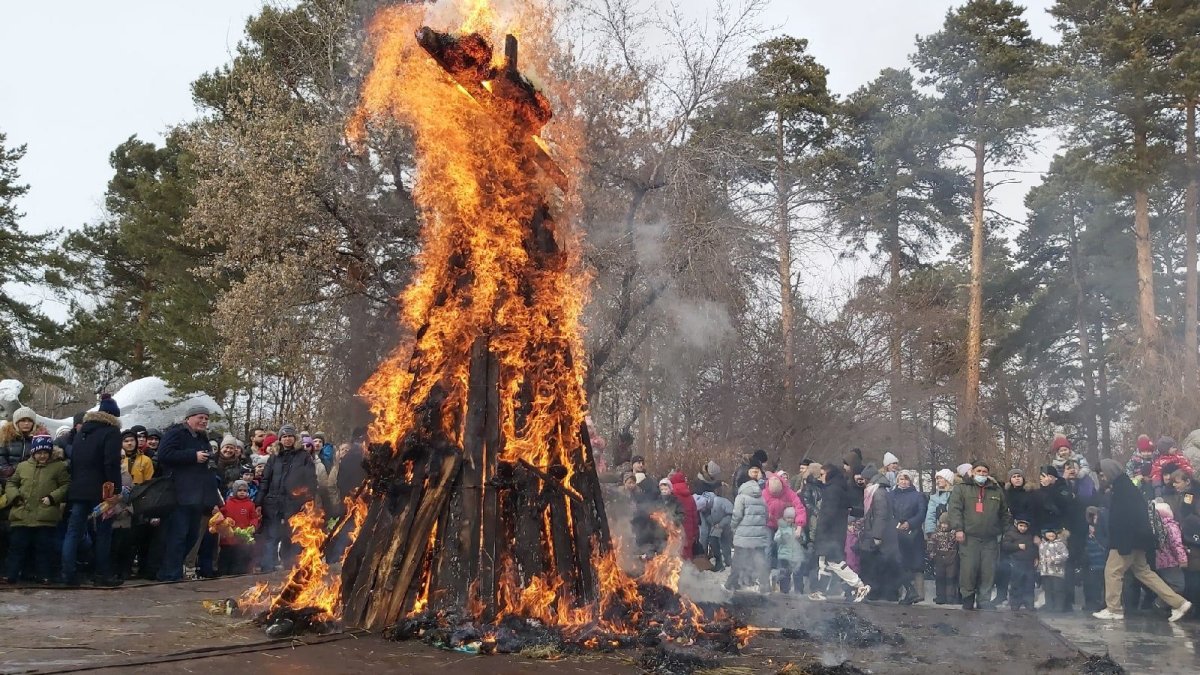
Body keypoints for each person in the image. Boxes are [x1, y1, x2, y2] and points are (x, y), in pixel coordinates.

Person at [1093, 459, 1192, 622]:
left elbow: (1122, 520)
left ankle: (1114, 609)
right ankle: (1179, 603)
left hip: (1125, 541)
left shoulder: (1122, 490)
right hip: (1137, 540)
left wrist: (1122, 544)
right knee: (1145, 573)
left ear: (1110, 472)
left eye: (1102, 474)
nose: (1102, 478)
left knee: (1112, 572)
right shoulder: (1129, 488)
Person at [61, 394, 123, 587]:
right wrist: (116, 490)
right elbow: (111, 463)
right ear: (113, 416)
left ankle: (68, 574)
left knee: (73, 531)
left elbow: (75, 462)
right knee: (104, 532)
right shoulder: (111, 432)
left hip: (79, 489)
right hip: (102, 491)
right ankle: (101, 574)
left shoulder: (82, 432)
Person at [156, 406, 221, 582]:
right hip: (179, 495)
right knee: (177, 536)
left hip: (198, 498)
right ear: (188, 418)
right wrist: (192, 456)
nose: (204, 421)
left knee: (192, 536)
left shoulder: (202, 438)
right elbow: (163, 454)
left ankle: (174, 570)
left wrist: (212, 499)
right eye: (200, 418)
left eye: (206, 419)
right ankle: (170, 573)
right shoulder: (176, 433)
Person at [1, 435, 68, 584]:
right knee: (17, 547)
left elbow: (65, 485)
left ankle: (44, 575)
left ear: (50, 452)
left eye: (45, 452)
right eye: (39, 452)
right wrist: (15, 497)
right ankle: (11, 574)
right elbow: (11, 483)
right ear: (33, 452)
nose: (42, 455)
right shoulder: (23, 466)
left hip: (44, 514)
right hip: (22, 514)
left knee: (43, 548)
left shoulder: (58, 467)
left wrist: (52, 497)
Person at [947, 462, 1009, 610]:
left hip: (990, 539)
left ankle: (984, 600)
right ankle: (967, 598)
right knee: (969, 569)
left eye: (984, 471)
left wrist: (1004, 530)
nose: (982, 474)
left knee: (988, 571)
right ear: (972, 472)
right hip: (969, 537)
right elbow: (955, 510)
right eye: (979, 471)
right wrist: (958, 529)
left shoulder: (996, 491)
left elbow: (1004, 513)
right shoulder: (962, 488)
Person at [256, 424, 317, 571]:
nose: (287, 439)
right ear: (280, 439)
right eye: (284, 436)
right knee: (272, 536)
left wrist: (308, 500)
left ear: (294, 438)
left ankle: (291, 568)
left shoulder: (304, 456)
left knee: (293, 537)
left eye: (290, 436)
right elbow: (266, 480)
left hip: (294, 502)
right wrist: (258, 501)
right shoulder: (274, 457)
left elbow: (311, 480)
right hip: (273, 502)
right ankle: (267, 569)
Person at [809, 464, 871, 602]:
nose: (820, 477)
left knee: (834, 562)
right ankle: (820, 591)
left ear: (829, 474)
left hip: (830, 533)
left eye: (822, 474)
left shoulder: (832, 490)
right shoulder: (840, 487)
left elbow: (827, 514)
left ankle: (859, 586)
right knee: (824, 562)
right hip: (837, 531)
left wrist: (820, 532)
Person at [858, 473, 903, 602]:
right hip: (883, 533)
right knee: (885, 564)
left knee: (878, 564)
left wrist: (876, 535)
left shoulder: (878, 493)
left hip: (880, 534)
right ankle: (887, 593)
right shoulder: (881, 492)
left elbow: (880, 515)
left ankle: (878, 592)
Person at [728, 476, 769, 593]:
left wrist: (733, 527)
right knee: (760, 561)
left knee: (738, 561)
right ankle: (765, 587)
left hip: (743, 536)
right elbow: (766, 515)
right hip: (759, 536)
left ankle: (731, 584)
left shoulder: (741, 497)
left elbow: (737, 515)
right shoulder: (762, 498)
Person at [214, 480, 260, 575]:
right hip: (228, 537)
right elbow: (221, 515)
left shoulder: (250, 504)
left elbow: (254, 517)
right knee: (226, 557)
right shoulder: (228, 503)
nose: (242, 492)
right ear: (234, 491)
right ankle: (223, 574)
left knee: (240, 558)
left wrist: (253, 525)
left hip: (242, 538)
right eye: (239, 490)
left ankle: (239, 573)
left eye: (244, 490)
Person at [1153, 501, 1188, 595]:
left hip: (1159, 562)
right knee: (1178, 585)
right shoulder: (1171, 526)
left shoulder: (1155, 527)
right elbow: (1176, 544)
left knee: (1166, 584)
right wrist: (1183, 560)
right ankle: (1160, 604)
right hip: (1171, 561)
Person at [1002, 519, 1036, 611]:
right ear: (1017, 525)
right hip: (1016, 562)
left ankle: (1029, 604)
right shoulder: (1011, 534)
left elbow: (1034, 547)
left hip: (1029, 563)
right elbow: (1005, 545)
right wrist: (1017, 546)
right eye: (1021, 526)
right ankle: (1015, 604)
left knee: (1029, 584)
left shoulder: (1030, 535)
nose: (1023, 528)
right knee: (1016, 584)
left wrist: (1036, 557)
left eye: (1025, 526)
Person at [1, 406, 39, 482]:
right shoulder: (5, 436)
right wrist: (8, 471)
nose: (26, 423)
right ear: (16, 422)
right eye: (23, 420)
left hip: (29, 479)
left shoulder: (38, 438)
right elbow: (1, 457)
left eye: (30, 421)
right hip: (6, 478)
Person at [927, 513, 959, 604]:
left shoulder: (953, 534)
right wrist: (931, 553)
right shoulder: (936, 533)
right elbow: (931, 543)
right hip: (939, 558)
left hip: (951, 557)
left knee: (951, 578)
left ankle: (950, 596)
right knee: (940, 577)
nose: (944, 526)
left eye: (946, 524)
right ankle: (940, 596)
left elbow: (956, 544)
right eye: (942, 523)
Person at [699, 490, 732, 572]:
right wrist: (704, 552)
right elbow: (704, 530)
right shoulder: (703, 509)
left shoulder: (721, 502)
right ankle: (719, 562)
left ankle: (728, 562)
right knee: (712, 541)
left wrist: (721, 524)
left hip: (726, 524)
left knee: (725, 543)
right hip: (715, 526)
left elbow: (731, 514)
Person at [774, 506, 805, 593]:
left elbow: (804, 539)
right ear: (784, 517)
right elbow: (776, 539)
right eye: (788, 517)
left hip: (796, 556)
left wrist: (800, 538)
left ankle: (799, 591)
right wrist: (782, 538)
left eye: (792, 518)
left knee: (798, 574)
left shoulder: (798, 528)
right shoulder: (781, 528)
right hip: (784, 555)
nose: (790, 520)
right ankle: (784, 590)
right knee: (784, 573)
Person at [1083, 506, 1108, 612]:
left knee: (1098, 582)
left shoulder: (1099, 527)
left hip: (1097, 557)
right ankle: (1097, 603)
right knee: (1097, 582)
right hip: (1095, 557)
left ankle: (1098, 603)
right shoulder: (1093, 526)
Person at [1039, 528, 1070, 613]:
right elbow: (1040, 556)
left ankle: (1059, 607)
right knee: (1047, 590)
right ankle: (1049, 607)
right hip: (1045, 572)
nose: (1051, 535)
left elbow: (1065, 555)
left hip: (1057, 572)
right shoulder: (1042, 544)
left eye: (1053, 533)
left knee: (1058, 590)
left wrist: (1053, 559)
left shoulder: (1060, 544)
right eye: (1048, 533)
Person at [924, 469, 955, 535]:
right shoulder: (934, 497)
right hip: (940, 531)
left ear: (947, 480)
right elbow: (930, 515)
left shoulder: (956, 495)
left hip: (955, 531)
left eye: (941, 478)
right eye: (937, 479)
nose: (938, 481)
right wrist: (930, 531)